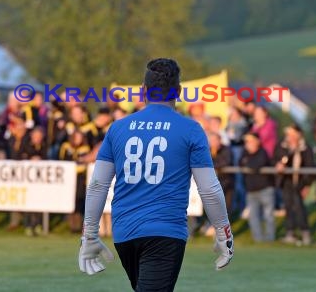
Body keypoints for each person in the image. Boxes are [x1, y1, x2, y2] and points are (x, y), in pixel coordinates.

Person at [79, 58, 233, 291]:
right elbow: (209, 189)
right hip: (165, 231)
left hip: (125, 232)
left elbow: (98, 185)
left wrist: (89, 234)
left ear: (143, 91)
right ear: (178, 92)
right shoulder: (190, 129)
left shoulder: (118, 127)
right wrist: (224, 233)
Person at [274, 124, 314, 245]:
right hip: (286, 181)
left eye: (292, 134)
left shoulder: (305, 148)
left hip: (300, 182)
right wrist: (278, 164)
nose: (289, 137)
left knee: (299, 207)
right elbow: (276, 158)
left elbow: (309, 166)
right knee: (288, 206)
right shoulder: (282, 146)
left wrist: (307, 185)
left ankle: (305, 232)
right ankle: (290, 232)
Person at [240, 132, 275, 242]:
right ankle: (258, 239)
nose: (248, 144)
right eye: (247, 141)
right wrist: (247, 162)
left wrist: (248, 163)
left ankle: (269, 239)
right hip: (251, 190)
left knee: (268, 216)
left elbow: (256, 165)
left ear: (257, 142)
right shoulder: (244, 153)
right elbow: (241, 162)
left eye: (250, 141)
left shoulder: (262, 152)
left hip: (265, 189)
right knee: (253, 217)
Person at [23, 127, 48, 236]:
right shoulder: (26, 146)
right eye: (36, 136)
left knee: (40, 203)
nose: (37, 138)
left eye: (39, 136)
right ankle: (28, 225)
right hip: (28, 180)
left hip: (41, 181)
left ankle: (38, 225)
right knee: (28, 204)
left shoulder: (44, 146)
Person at [209, 132, 234, 216]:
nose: (213, 142)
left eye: (214, 140)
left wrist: (212, 165)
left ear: (219, 140)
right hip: (211, 182)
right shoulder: (207, 150)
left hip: (226, 181)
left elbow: (225, 162)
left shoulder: (226, 149)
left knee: (224, 206)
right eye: (211, 140)